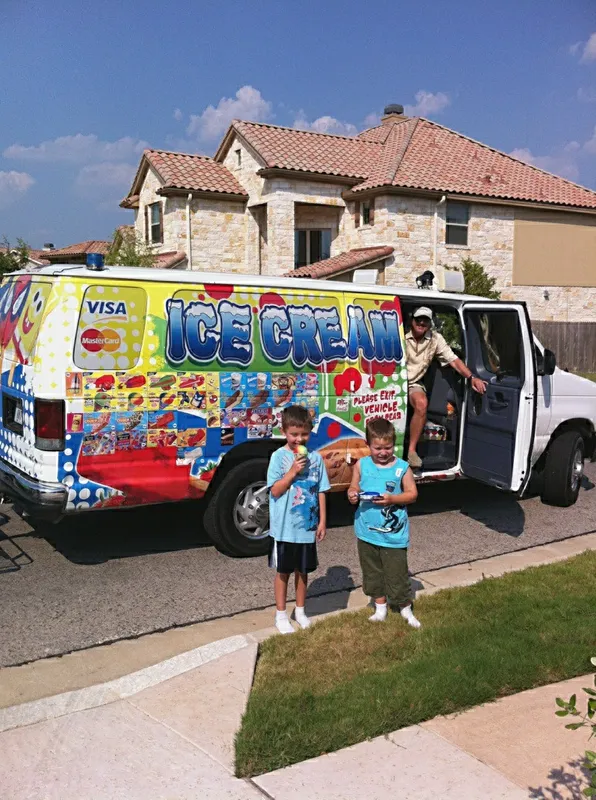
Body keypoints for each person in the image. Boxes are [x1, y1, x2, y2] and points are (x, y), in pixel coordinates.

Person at [347, 417, 421, 628]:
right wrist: (352, 494)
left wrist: (392, 499)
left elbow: (412, 494)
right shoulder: (361, 465)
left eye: (387, 448)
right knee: (372, 572)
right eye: (377, 448)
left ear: (393, 445)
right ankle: (380, 607)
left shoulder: (401, 468)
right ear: (368, 445)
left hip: (393, 535)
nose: (382, 452)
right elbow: (353, 489)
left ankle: (405, 607)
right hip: (366, 531)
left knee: (397, 573)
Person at [267, 405, 330, 634]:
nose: (299, 439)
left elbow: (321, 490)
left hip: (307, 528)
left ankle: (301, 611)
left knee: (302, 572)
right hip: (284, 529)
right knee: (283, 571)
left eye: (304, 434)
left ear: (310, 432)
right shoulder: (278, 457)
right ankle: (281, 614)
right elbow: (275, 490)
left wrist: (322, 521)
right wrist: (293, 471)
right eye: (294, 434)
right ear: (284, 431)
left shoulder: (316, 458)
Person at [406, 306, 487, 469]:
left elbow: (453, 360)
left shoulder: (435, 339)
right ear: (411, 320)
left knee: (422, 404)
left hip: (413, 383)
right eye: (418, 319)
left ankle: (411, 452)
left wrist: (472, 377)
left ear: (430, 323)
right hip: (392, 381)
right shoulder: (400, 333)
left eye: (426, 320)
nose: (421, 323)